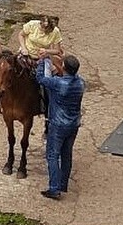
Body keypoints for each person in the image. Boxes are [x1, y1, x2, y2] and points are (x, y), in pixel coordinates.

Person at [34, 53, 85, 200]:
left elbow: (41, 79)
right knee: (67, 154)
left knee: (52, 155)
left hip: (57, 125)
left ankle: (54, 189)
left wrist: (43, 61)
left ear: (64, 67)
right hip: (74, 124)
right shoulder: (81, 83)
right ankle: (63, 184)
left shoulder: (58, 83)